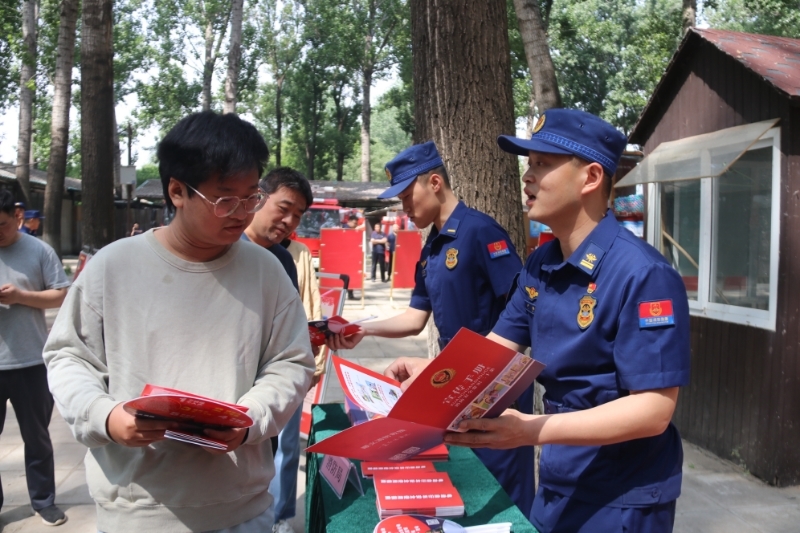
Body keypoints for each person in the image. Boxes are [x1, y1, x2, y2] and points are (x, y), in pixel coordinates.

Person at [384, 109, 691, 533]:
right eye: (528, 165)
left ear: (590, 178)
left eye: (543, 165)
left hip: (621, 495)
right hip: (558, 475)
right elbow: (493, 348)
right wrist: (435, 373)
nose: (527, 177)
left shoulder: (642, 274)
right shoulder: (541, 263)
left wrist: (531, 430)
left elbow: (654, 409)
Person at [43, 111, 314, 533]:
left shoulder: (266, 272)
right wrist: (105, 416)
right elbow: (68, 358)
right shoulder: (113, 267)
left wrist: (250, 419)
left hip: (240, 508)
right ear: (177, 191)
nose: (241, 212)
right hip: (136, 511)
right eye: (225, 198)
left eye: (250, 197)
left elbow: (292, 362)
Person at [326, 141, 533, 514]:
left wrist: (482, 371)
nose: (404, 209)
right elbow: (415, 317)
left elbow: (519, 313)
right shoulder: (432, 248)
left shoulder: (481, 232)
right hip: (457, 383)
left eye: (408, 197)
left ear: (434, 182)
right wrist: (364, 328)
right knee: (469, 489)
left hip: (496, 385)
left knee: (503, 495)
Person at [243, 166, 319, 533]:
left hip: (269, 391)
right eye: (283, 208)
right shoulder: (223, 248)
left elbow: (288, 326)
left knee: (270, 461)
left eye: (298, 215)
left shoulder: (285, 258)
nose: (289, 221)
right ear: (258, 197)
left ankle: (275, 517)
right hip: (230, 390)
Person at [0, 189, 70, 526]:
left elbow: (61, 295)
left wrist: (21, 296)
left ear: (16, 215)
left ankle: (44, 501)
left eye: (1, 224)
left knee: (37, 437)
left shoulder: (40, 251)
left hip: (30, 361)